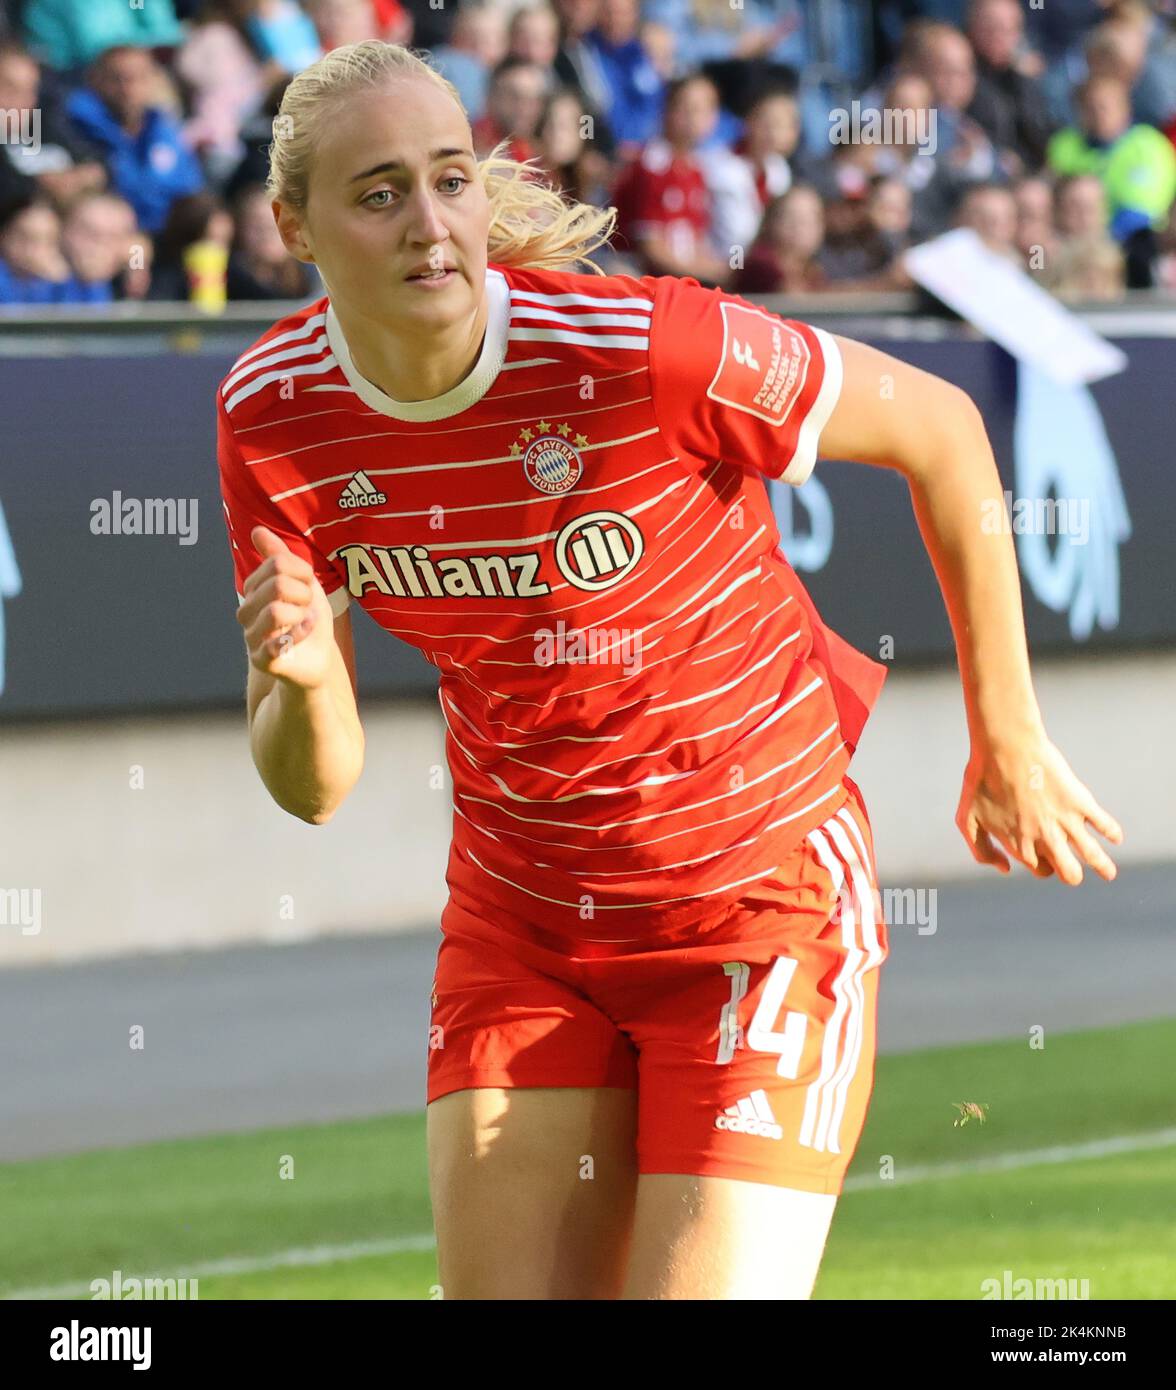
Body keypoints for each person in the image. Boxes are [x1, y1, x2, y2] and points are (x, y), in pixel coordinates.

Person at [216, 39, 1123, 1301]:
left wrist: (1007, 733)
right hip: (521, 926)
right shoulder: (271, 411)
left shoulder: (644, 349)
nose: (430, 224)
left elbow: (943, 427)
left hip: (757, 909)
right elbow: (311, 788)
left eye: (451, 178)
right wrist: (308, 679)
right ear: (292, 227)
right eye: (377, 194)